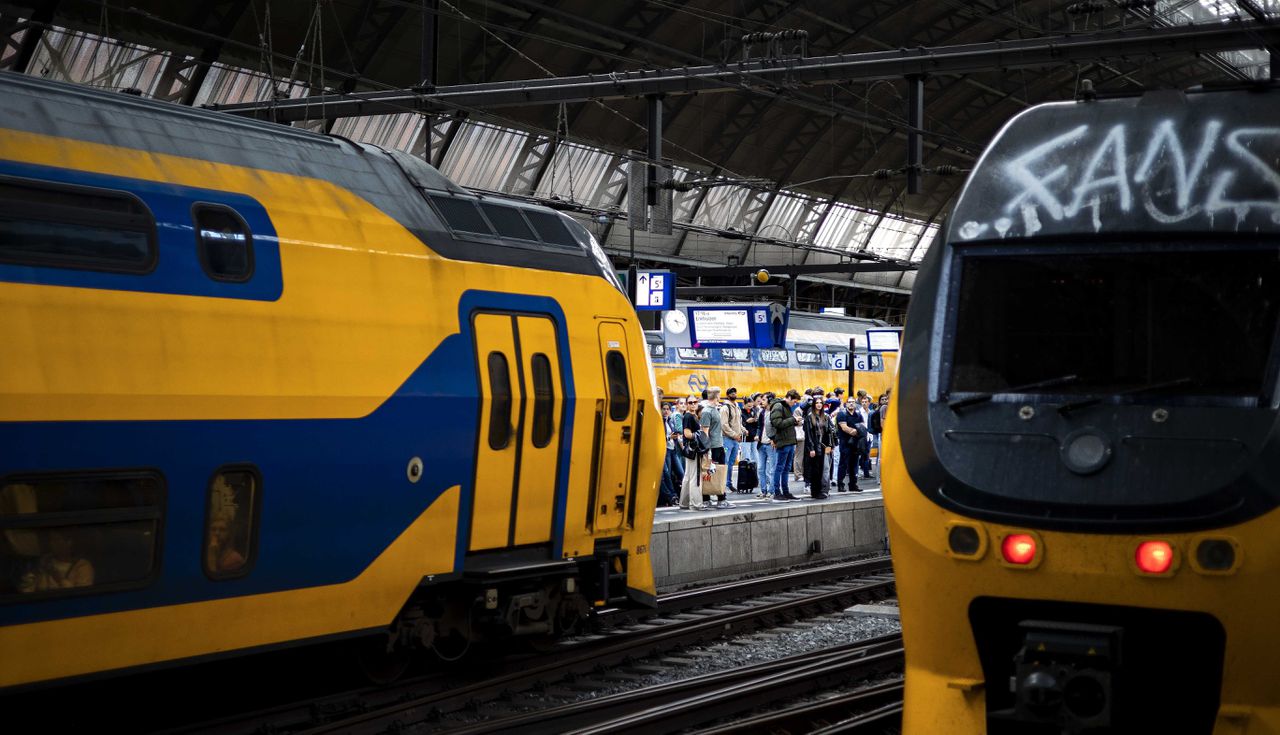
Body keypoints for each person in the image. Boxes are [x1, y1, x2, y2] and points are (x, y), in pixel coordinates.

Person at [20, 528, 95, 592]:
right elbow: (29, 587)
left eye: (56, 540)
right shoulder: (46, 560)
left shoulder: (83, 566)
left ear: (69, 542)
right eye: (51, 540)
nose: (52, 543)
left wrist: (58, 578)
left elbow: (81, 596)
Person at [701, 386, 733, 509]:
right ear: (717, 396)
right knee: (709, 473)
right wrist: (707, 450)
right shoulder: (707, 412)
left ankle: (719, 498)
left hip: (719, 445)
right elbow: (705, 432)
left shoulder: (715, 409)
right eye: (719, 395)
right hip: (712, 447)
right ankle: (712, 499)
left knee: (720, 472)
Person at [769, 389, 801, 501]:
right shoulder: (778, 406)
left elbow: (785, 421)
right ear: (789, 398)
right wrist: (793, 420)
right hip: (783, 441)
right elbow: (777, 423)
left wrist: (794, 421)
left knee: (786, 468)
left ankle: (786, 492)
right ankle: (777, 492)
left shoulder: (786, 406)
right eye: (794, 401)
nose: (795, 403)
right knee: (780, 468)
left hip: (790, 441)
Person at [679, 402, 710, 511]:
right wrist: (700, 434)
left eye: (695, 402)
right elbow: (687, 434)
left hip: (690, 450)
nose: (693, 404)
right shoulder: (689, 416)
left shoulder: (690, 416)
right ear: (687, 404)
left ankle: (684, 503)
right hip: (694, 449)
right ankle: (696, 504)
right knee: (695, 477)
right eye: (690, 402)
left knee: (688, 476)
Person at [802, 398, 833, 499]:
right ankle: (814, 492)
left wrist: (830, 445)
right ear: (814, 404)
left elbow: (829, 432)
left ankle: (820, 491)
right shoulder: (809, 417)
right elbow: (808, 435)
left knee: (821, 469)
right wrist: (811, 448)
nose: (819, 405)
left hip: (823, 446)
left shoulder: (825, 417)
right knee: (814, 470)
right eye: (817, 403)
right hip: (814, 446)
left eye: (821, 403)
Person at [835, 398, 865, 492]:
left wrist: (857, 431)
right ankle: (840, 485)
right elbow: (844, 428)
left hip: (856, 444)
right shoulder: (842, 414)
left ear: (855, 404)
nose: (851, 404)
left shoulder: (858, 414)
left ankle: (853, 485)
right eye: (849, 402)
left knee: (854, 465)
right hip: (845, 443)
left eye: (853, 402)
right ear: (846, 404)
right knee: (843, 464)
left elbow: (863, 426)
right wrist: (856, 431)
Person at [720, 387, 745, 493]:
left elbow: (738, 422)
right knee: (725, 463)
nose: (734, 394)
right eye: (731, 393)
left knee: (731, 463)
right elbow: (724, 425)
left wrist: (743, 430)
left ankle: (728, 483)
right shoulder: (725, 408)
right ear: (727, 395)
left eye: (735, 392)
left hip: (735, 439)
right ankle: (723, 484)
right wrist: (735, 435)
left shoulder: (737, 407)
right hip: (727, 439)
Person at [758, 393, 777, 498]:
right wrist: (757, 435)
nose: (762, 401)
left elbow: (777, 427)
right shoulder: (762, 412)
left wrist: (774, 439)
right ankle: (763, 490)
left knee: (772, 469)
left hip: (771, 444)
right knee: (761, 468)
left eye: (764, 399)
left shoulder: (774, 412)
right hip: (761, 444)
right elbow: (759, 426)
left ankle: (771, 490)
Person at [857, 395, 875, 480]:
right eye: (862, 402)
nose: (864, 403)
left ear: (869, 403)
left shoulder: (871, 412)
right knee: (863, 454)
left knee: (867, 454)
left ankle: (866, 472)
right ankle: (864, 472)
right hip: (862, 435)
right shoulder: (859, 412)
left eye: (866, 402)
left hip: (869, 435)